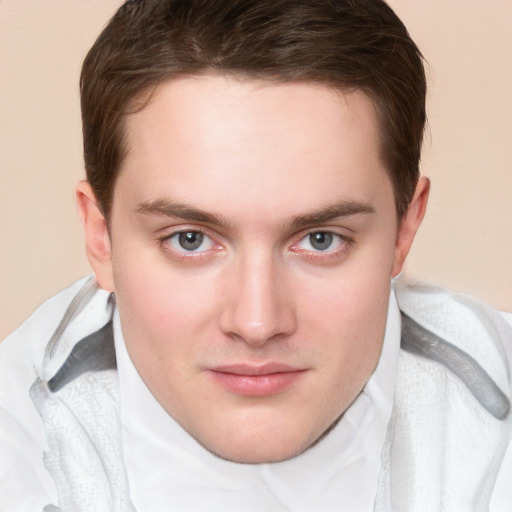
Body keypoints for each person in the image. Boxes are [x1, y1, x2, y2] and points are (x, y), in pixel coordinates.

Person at [1, 0, 511, 511]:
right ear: (101, 236)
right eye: (190, 239)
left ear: (404, 229)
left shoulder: (497, 422)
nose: (257, 322)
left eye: (320, 240)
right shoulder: (20, 441)